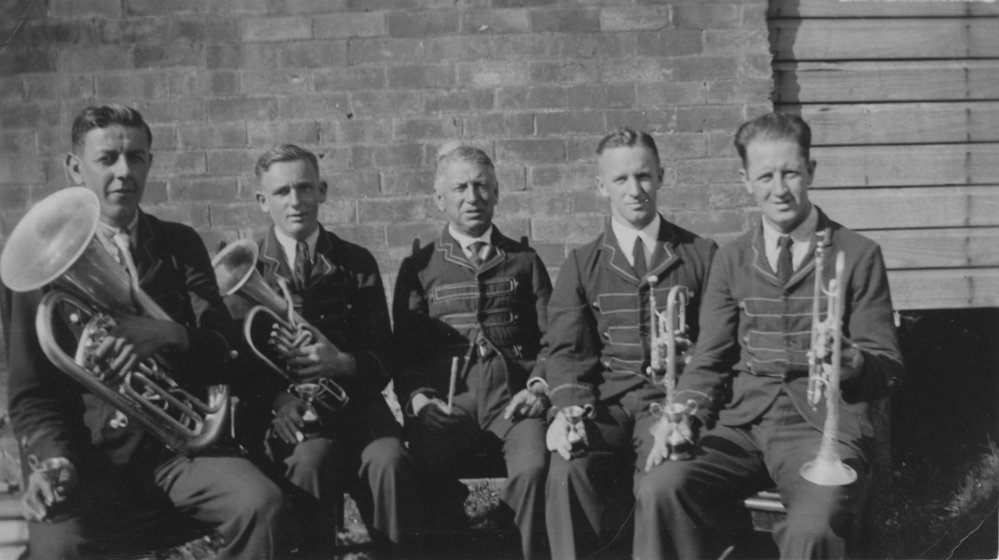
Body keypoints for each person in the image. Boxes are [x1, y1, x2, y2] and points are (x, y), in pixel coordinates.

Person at [5, 104, 285, 559]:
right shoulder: (41, 267)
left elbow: (223, 351)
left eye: (136, 157)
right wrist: (52, 459)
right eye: (107, 159)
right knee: (56, 550)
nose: (123, 172)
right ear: (75, 168)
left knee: (260, 503)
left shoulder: (179, 245)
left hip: (177, 453)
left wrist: (166, 334)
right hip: (89, 461)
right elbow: (31, 395)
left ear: (150, 163)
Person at [645, 112, 904, 559]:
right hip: (741, 421)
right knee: (662, 487)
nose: (779, 189)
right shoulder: (730, 259)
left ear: (811, 172)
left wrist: (856, 361)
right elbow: (710, 357)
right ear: (746, 180)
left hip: (823, 424)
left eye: (791, 173)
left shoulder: (859, 254)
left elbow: (888, 362)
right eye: (766, 176)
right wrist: (681, 411)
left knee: (813, 528)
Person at [543, 128, 718, 559]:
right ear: (601, 186)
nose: (635, 190)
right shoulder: (582, 262)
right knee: (568, 469)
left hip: (672, 402)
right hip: (609, 403)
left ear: (662, 176)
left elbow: (718, 345)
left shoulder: (702, 254)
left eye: (644, 176)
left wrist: (686, 411)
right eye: (620, 180)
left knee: (666, 473)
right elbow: (566, 351)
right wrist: (568, 410)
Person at [236, 143, 419, 554]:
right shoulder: (247, 271)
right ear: (262, 201)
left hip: (356, 406)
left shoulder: (357, 262)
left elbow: (382, 358)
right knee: (310, 462)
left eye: (304, 188)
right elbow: (239, 365)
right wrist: (279, 398)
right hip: (288, 413)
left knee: (390, 461)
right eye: (282, 192)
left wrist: (341, 362)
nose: (296, 201)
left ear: (323, 190)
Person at [392, 144, 552, 560]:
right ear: (439, 199)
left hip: (513, 403)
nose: (472, 197)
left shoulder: (524, 261)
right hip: (449, 405)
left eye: (481, 186)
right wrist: (420, 400)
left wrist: (538, 388)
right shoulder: (419, 268)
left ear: (497, 193)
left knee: (534, 467)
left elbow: (556, 340)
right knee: (425, 468)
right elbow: (405, 354)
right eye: (459, 187)